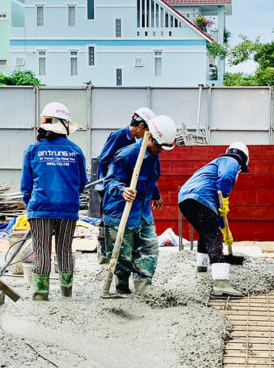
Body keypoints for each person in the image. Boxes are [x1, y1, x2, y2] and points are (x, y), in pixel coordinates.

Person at [101, 114, 178, 295]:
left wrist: (156, 195)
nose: (161, 151)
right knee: (123, 256)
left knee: (149, 248)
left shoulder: (154, 155)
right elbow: (109, 181)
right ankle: (122, 288)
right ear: (150, 138)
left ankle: (144, 287)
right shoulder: (126, 155)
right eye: (160, 147)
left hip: (142, 212)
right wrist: (123, 190)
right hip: (120, 212)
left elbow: (151, 178)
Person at [21, 102, 88, 301]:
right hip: (68, 209)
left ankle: (40, 295)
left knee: (41, 251)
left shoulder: (33, 149)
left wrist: (31, 205)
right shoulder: (75, 150)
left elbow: (26, 185)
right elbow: (82, 183)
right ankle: (66, 293)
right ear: (65, 124)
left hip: (40, 208)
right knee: (64, 251)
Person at [178, 143, 250, 296]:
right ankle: (221, 283)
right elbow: (226, 177)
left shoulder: (214, 164)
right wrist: (225, 197)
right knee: (213, 236)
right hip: (201, 198)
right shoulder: (232, 159)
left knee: (206, 232)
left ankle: (202, 266)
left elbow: (218, 215)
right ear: (243, 159)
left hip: (186, 198)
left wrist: (223, 227)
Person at [93, 107, 161, 263]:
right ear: (141, 126)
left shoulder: (135, 142)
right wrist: (118, 171)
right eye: (148, 131)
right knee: (109, 221)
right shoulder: (119, 136)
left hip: (126, 185)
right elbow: (104, 159)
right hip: (110, 185)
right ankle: (105, 254)